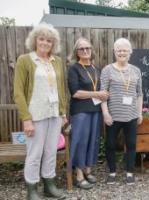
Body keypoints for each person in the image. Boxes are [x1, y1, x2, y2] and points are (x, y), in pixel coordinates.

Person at [13, 23, 67, 200]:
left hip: (54, 114)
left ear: (53, 44)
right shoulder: (25, 60)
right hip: (35, 115)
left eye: (49, 40)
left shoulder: (57, 61)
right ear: (35, 39)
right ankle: (32, 190)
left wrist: (63, 112)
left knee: (51, 151)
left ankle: (49, 186)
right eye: (41, 38)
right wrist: (26, 119)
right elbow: (18, 93)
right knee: (34, 153)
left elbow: (61, 88)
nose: (45, 43)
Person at [100, 38, 143, 185]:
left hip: (131, 115)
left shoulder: (136, 70)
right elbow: (103, 93)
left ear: (130, 52)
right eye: (119, 50)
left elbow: (139, 94)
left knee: (131, 144)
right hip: (113, 115)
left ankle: (129, 172)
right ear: (114, 52)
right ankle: (112, 173)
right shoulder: (107, 70)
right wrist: (105, 113)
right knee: (111, 144)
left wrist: (140, 113)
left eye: (125, 50)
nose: (122, 52)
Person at [67, 37, 108, 189]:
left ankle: (87, 170)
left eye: (87, 48)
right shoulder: (74, 69)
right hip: (80, 111)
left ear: (91, 50)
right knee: (80, 141)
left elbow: (102, 91)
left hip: (95, 111)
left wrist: (104, 95)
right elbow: (75, 93)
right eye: (81, 49)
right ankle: (78, 175)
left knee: (93, 140)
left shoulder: (96, 69)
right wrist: (97, 94)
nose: (85, 51)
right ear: (77, 52)